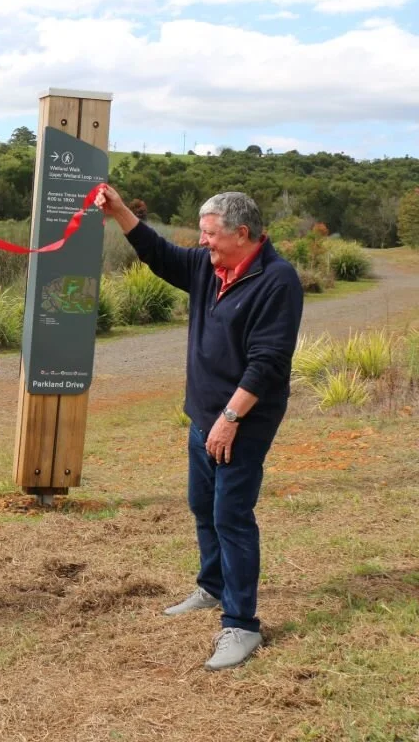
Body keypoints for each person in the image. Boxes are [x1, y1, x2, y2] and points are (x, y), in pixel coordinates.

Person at [95, 186, 303, 670]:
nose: (202, 242)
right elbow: (159, 253)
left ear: (242, 233)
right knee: (202, 504)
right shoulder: (209, 268)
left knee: (231, 515)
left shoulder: (277, 281)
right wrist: (120, 210)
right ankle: (212, 587)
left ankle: (242, 624)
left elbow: (268, 363)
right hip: (205, 416)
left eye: (210, 234)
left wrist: (230, 420)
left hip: (242, 421)